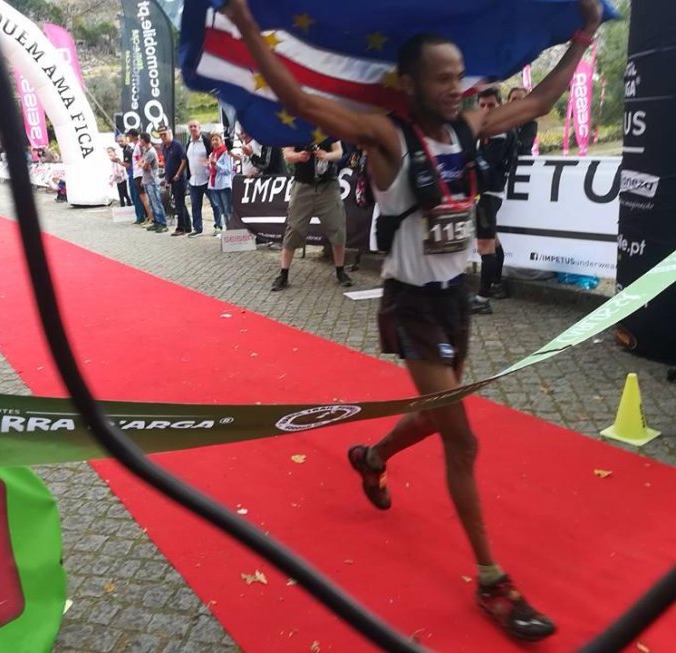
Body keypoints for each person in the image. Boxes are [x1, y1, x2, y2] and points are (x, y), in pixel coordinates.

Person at [221, 0, 602, 641]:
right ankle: (492, 581)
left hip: (457, 293)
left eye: (459, 76)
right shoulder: (386, 135)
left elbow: (537, 104)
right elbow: (304, 104)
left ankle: (371, 456)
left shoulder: (468, 130)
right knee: (463, 438)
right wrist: (247, 26)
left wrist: (583, 39)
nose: (456, 87)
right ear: (410, 84)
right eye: (442, 78)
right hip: (414, 303)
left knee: (434, 413)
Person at [271, 140, 354, 291]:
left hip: (328, 186)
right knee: (294, 228)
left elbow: (339, 152)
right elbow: (287, 155)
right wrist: (299, 156)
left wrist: (326, 155)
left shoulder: (328, 126)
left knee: (337, 226)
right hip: (302, 185)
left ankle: (340, 271)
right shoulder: (297, 129)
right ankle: (283, 273)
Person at [470, 87, 517, 314]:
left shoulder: (502, 130)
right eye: (482, 105)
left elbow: (487, 165)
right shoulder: (486, 129)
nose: (487, 109)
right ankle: (496, 284)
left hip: (490, 195)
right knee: (493, 241)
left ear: (500, 105)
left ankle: (482, 299)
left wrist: (469, 152)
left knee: (484, 246)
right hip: (486, 194)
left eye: (491, 105)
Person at [186, 120, 221, 238]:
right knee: (195, 205)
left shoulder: (206, 141)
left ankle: (218, 226)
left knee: (215, 204)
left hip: (207, 178)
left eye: (195, 126)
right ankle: (197, 228)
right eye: (190, 127)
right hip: (194, 180)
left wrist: (209, 164)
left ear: (199, 128)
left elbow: (215, 154)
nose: (193, 128)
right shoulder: (189, 143)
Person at [158, 124, 191, 236]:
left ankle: (181, 228)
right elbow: (167, 163)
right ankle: (187, 226)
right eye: (161, 135)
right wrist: (167, 179)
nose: (163, 137)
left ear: (170, 133)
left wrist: (178, 174)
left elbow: (184, 160)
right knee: (179, 203)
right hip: (171, 179)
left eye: (164, 134)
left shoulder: (177, 145)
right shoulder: (164, 147)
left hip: (180, 179)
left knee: (179, 204)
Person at [138, 133, 168, 233]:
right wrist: (142, 164)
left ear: (143, 140)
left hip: (152, 181)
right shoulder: (145, 150)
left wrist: (142, 164)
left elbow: (143, 166)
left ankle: (163, 223)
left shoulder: (151, 152)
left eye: (140, 140)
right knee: (151, 203)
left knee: (156, 202)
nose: (139, 142)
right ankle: (156, 222)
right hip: (147, 180)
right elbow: (142, 164)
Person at [207, 133, 233, 237]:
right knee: (222, 210)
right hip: (214, 185)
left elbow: (227, 170)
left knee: (228, 210)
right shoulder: (212, 154)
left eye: (216, 139)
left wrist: (215, 164)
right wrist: (207, 165)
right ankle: (227, 230)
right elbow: (210, 170)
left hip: (224, 185)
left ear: (221, 140)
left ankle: (231, 231)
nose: (214, 142)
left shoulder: (225, 153)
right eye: (213, 140)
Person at [127, 128, 153, 226]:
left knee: (145, 199)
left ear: (133, 136)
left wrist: (142, 173)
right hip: (137, 174)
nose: (128, 138)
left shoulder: (139, 146)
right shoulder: (136, 146)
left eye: (129, 136)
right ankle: (148, 217)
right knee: (142, 198)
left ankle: (151, 218)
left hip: (140, 174)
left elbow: (144, 158)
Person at [507, 87, 539, 156]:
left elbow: (524, 146)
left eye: (520, 99)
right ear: (508, 101)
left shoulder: (531, 123)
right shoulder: (500, 120)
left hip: (522, 162)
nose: (516, 102)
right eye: (514, 99)